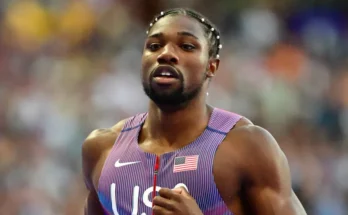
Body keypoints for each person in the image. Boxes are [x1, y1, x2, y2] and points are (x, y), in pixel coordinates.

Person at [82, 8, 307, 215]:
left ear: (211, 66)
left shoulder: (247, 146)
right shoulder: (102, 149)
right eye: (154, 46)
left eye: (187, 46)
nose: (166, 54)